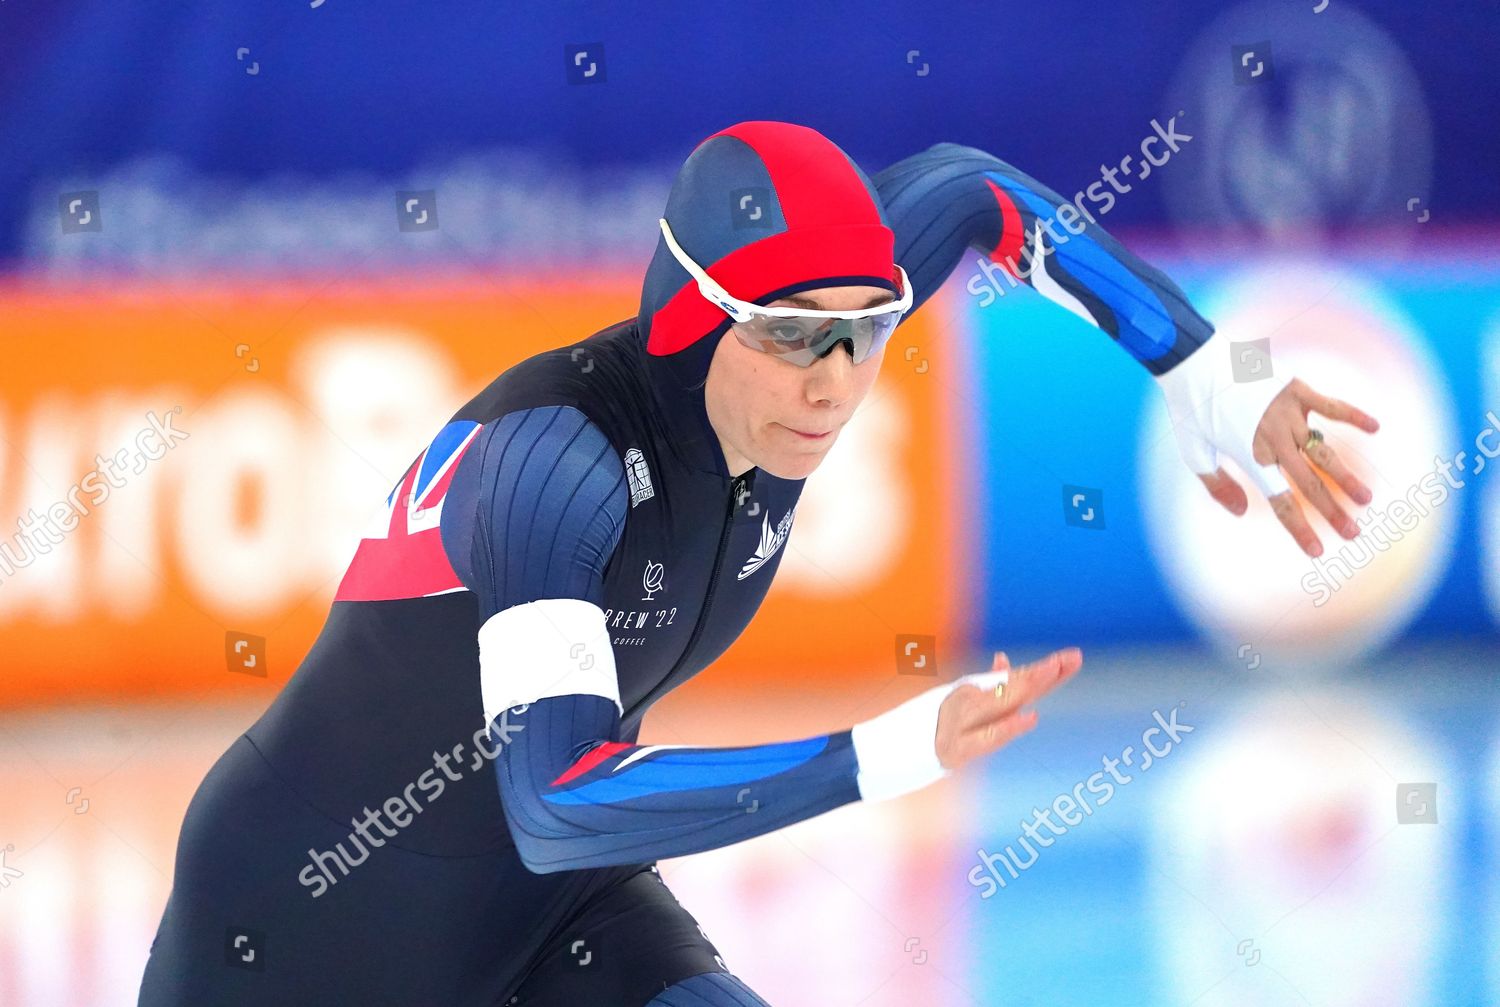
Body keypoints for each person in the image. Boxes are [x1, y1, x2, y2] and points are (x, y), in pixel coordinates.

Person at [138, 120, 1376, 1006]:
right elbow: (559, 794)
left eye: (865, 334)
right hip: (302, 932)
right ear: (694, 316)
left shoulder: (813, 330)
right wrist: (885, 752)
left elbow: (980, 193)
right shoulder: (555, 465)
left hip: (561, 915)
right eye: (793, 339)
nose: (834, 381)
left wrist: (1204, 372)